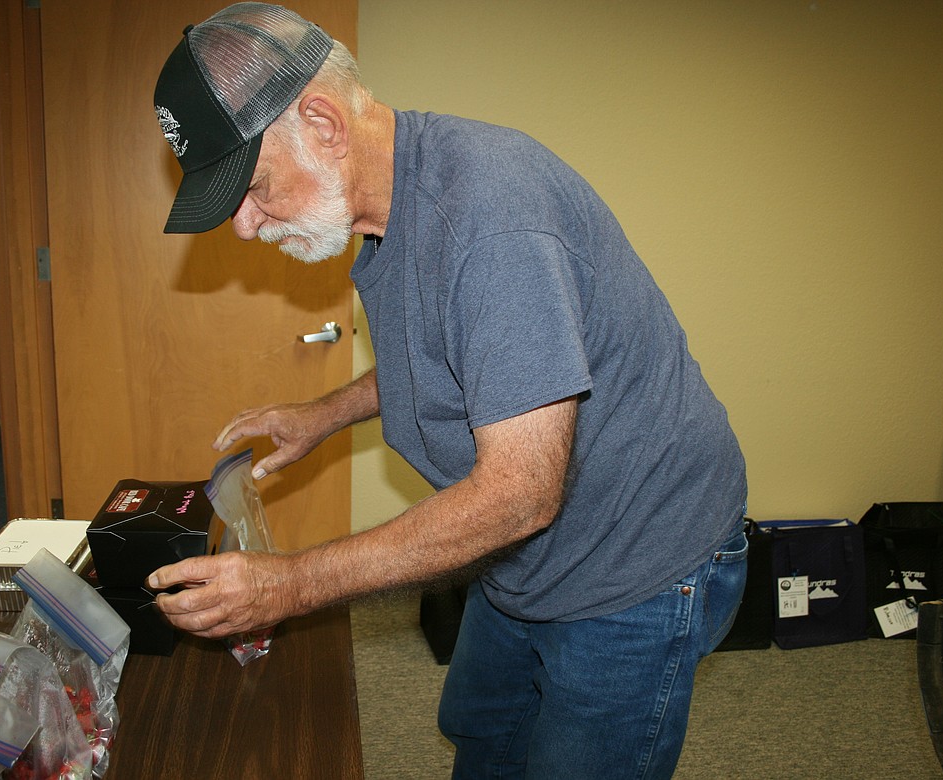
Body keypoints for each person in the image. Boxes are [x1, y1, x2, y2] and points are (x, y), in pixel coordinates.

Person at [148, 4, 748, 778]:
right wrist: (324, 414)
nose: (242, 225)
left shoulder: (492, 220)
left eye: (254, 186)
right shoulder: (387, 211)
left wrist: (293, 584)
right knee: (483, 730)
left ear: (324, 124)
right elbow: (457, 357)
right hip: (528, 555)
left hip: (634, 558)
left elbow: (521, 493)